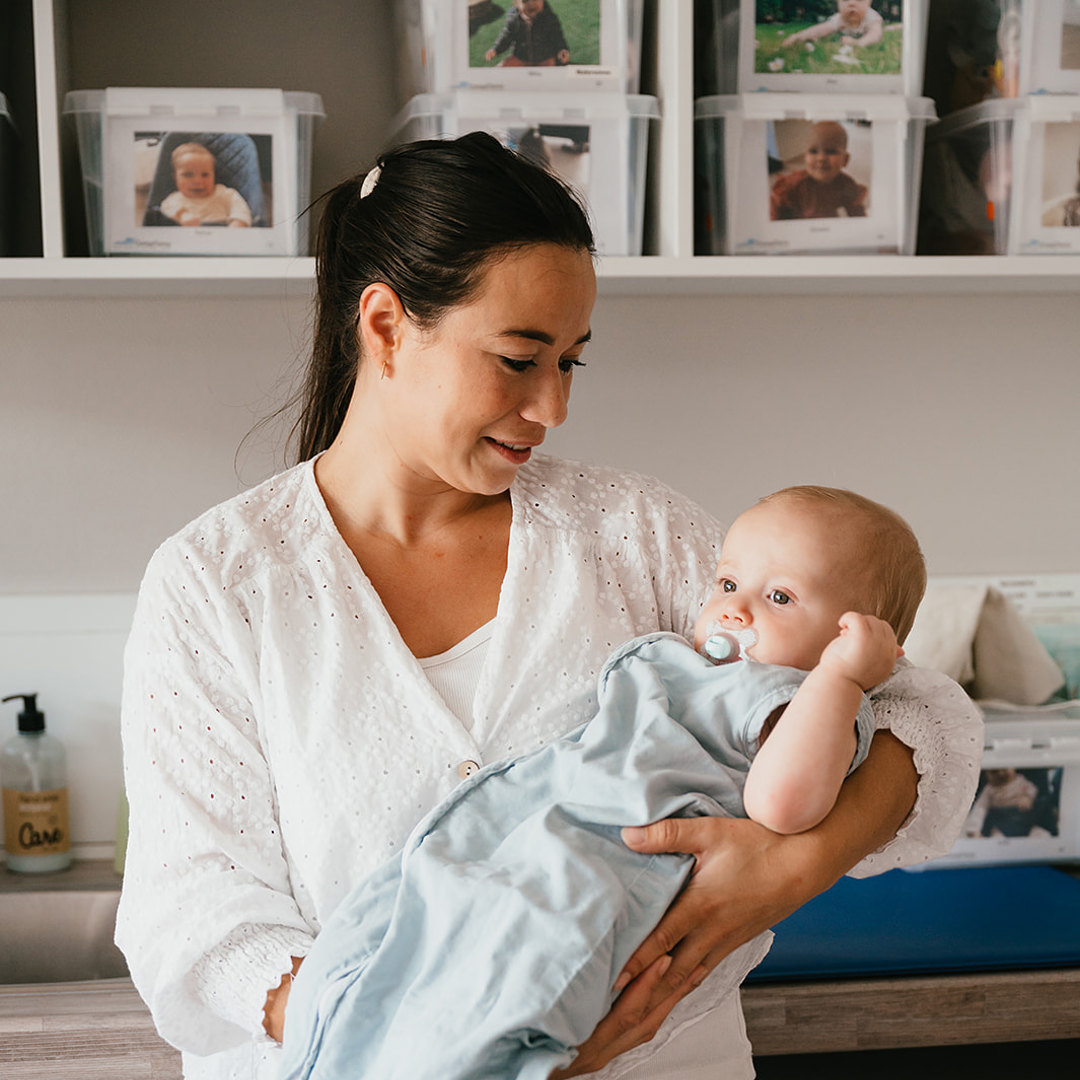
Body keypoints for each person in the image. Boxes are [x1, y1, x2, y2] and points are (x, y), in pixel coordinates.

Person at [115, 131, 983, 1080]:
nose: (552, 408)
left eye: (571, 362)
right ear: (385, 325)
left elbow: (918, 706)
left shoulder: (638, 534)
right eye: (519, 359)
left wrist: (788, 869)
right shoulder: (220, 582)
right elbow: (191, 911)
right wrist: (428, 1031)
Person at [278, 486, 930, 1080]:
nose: (734, 608)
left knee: (488, 1019)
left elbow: (782, 805)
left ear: (859, 638)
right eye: (729, 581)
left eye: (779, 597)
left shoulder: (798, 703)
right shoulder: (683, 660)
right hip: (496, 843)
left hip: (595, 874)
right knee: (346, 971)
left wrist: (841, 681)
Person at [770, 121, 869, 221]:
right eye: (813, 151)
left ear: (845, 159)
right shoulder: (792, 186)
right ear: (805, 157)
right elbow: (776, 212)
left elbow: (857, 213)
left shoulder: (846, 184)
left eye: (831, 151)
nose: (821, 158)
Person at [160, 141, 252, 227]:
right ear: (175, 178)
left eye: (205, 175)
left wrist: (238, 222)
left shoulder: (225, 193)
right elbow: (166, 209)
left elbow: (240, 208)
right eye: (188, 175)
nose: (198, 181)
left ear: (214, 175)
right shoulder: (174, 199)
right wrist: (182, 215)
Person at [484, 0, 571, 67]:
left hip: (545, 57)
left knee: (549, 72)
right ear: (516, 3)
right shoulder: (514, 19)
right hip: (522, 56)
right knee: (501, 68)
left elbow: (557, 37)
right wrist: (495, 49)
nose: (531, 3)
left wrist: (562, 50)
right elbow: (507, 37)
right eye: (525, 0)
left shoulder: (549, 18)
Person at [782, 0, 885, 50]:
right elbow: (820, 29)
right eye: (845, 0)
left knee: (879, 29)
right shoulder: (840, 18)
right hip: (845, 31)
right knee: (824, 30)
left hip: (862, 34)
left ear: (869, 3)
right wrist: (798, 37)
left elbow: (875, 35)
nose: (851, 3)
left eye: (859, 0)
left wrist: (859, 43)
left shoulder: (871, 17)